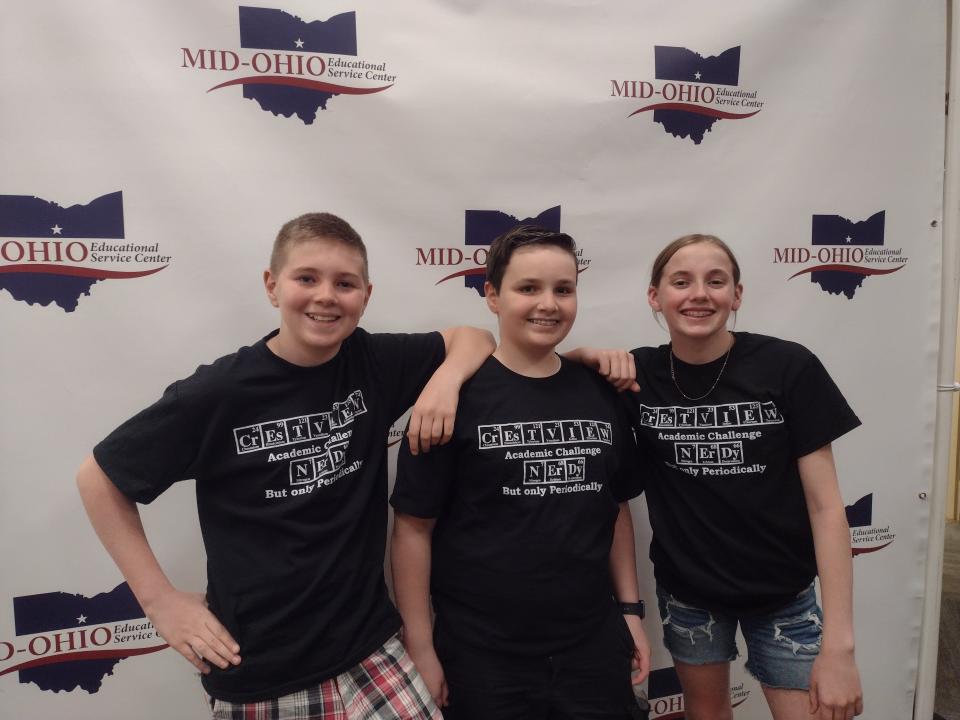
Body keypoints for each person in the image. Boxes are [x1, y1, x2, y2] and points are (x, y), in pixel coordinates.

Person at [76, 212, 495, 719]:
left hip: (373, 649)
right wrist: (158, 601)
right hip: (262, 671)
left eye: (344, 283)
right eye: (306, 278)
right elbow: (99, 478)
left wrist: (445, 382)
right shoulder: (220, 393)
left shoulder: (372, 362)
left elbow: (473, 337)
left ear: (366, 294)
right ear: (272, 286)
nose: (325, 296)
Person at [576, 234, 864, 720]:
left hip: (784, 595)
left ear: (737, 295)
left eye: (716, 281)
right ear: (655, 296)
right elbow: (549, 367)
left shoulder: (787, 365)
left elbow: (826, 507)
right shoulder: (638, 374)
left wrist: (840, 646)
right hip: (689, 594)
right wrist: (587, 354)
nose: (699, 294)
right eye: (681, 281)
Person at [390, 225, 651, 720]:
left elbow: (615, 508)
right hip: (481, 656)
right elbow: (412, 528)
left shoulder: (600, 392)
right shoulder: (448, 399)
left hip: (591, 647)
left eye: (563, 289)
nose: (547, 304)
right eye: (528, 288)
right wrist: (420, 646)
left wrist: (631, 612)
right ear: (492, 295)